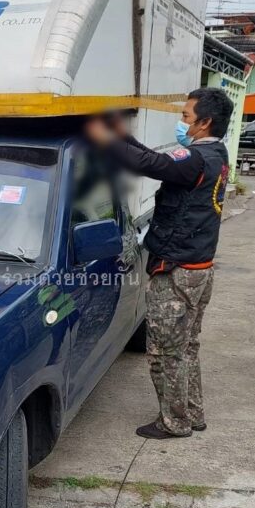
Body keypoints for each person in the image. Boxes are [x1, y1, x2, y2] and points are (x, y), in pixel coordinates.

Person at [85, 87, 234, 439]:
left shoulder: (197, 158)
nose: (181, 122)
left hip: (177, 271)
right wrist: (124, 136)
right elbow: (157, 159)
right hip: (198, 268)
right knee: (187, 346)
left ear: (204, 122)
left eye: (186, 116)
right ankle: (192, 413)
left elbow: (149, 165)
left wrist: (105, 139)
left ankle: (174, 422)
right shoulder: (215, 154)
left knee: (165, 352)